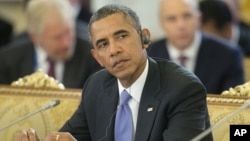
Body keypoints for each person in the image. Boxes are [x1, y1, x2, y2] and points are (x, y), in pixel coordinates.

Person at [16, 4, 213, 141]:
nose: (114, 50)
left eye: (121, 36)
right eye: (103, 44)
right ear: (97, 58)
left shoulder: (182, 89)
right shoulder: (96, 86)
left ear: (144, 38)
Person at [147, 0, 245, 94]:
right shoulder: (148, 55)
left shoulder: (228, 55)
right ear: (161, 24)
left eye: (187, 16)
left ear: (199, 18)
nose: (181, 25)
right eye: (172, 19)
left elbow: (236, 106)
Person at [0, 0, 100, 88]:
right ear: (34, 37)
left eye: (69, 32)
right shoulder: (8, 62)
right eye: (57, 37)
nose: (66, 43)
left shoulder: (92, 56)